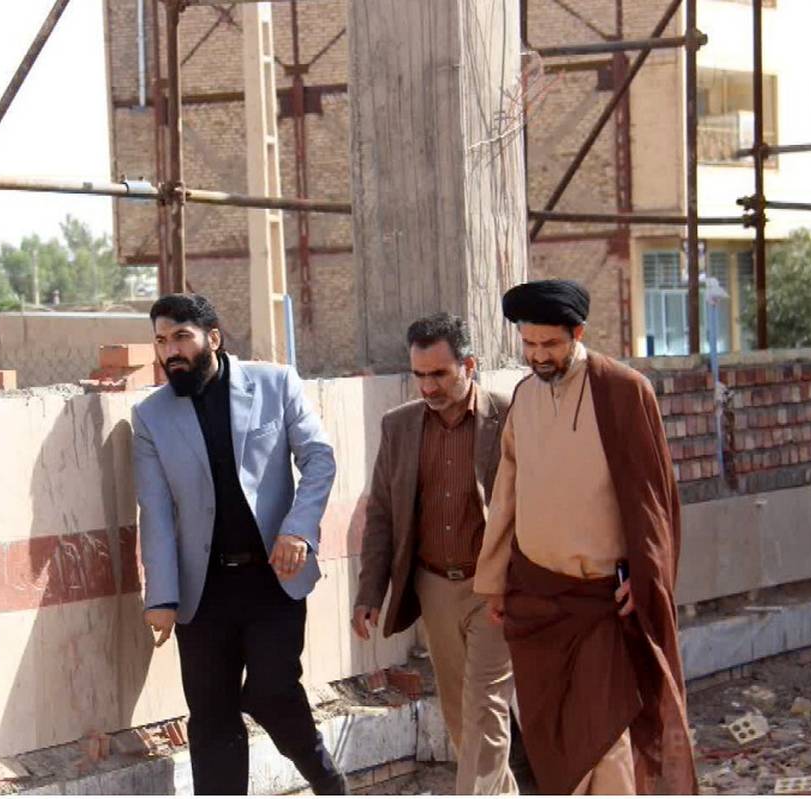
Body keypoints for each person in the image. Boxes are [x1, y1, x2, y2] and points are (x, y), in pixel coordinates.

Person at [472, 279, 697, 795]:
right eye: (529, 343)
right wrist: (494, 582)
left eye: (550, 344)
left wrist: (647, 577)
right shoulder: (524, 398)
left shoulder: (622, 390)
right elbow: (506, 495)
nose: (538, 355)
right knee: (556, 739)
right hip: (537, 602)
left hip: (602, 602)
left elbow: (653, 499)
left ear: (578, 333)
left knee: (604, 733)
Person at [131, 293, 347, 795]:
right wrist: (161, 597)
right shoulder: (151, 417)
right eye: (161, 341)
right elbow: (155, 511)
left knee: (273, 692)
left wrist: (298, 529)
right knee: (211, 718)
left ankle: (328, 782)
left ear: (213, 338)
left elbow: (319, 458)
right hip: (202, 592)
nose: (171, 351)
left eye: (181, 337)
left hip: (273, 579)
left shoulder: (275, 384)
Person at [352, 313, 521, 795]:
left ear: (469, 365)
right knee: (460, 714)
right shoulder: (399, 427)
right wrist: (370, 592)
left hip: (495, 588)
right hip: (433, 588)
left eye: (439, 374)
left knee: (485, 707)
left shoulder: (509, 416)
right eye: (419, 375)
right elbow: (382, 513)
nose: (428, 386)